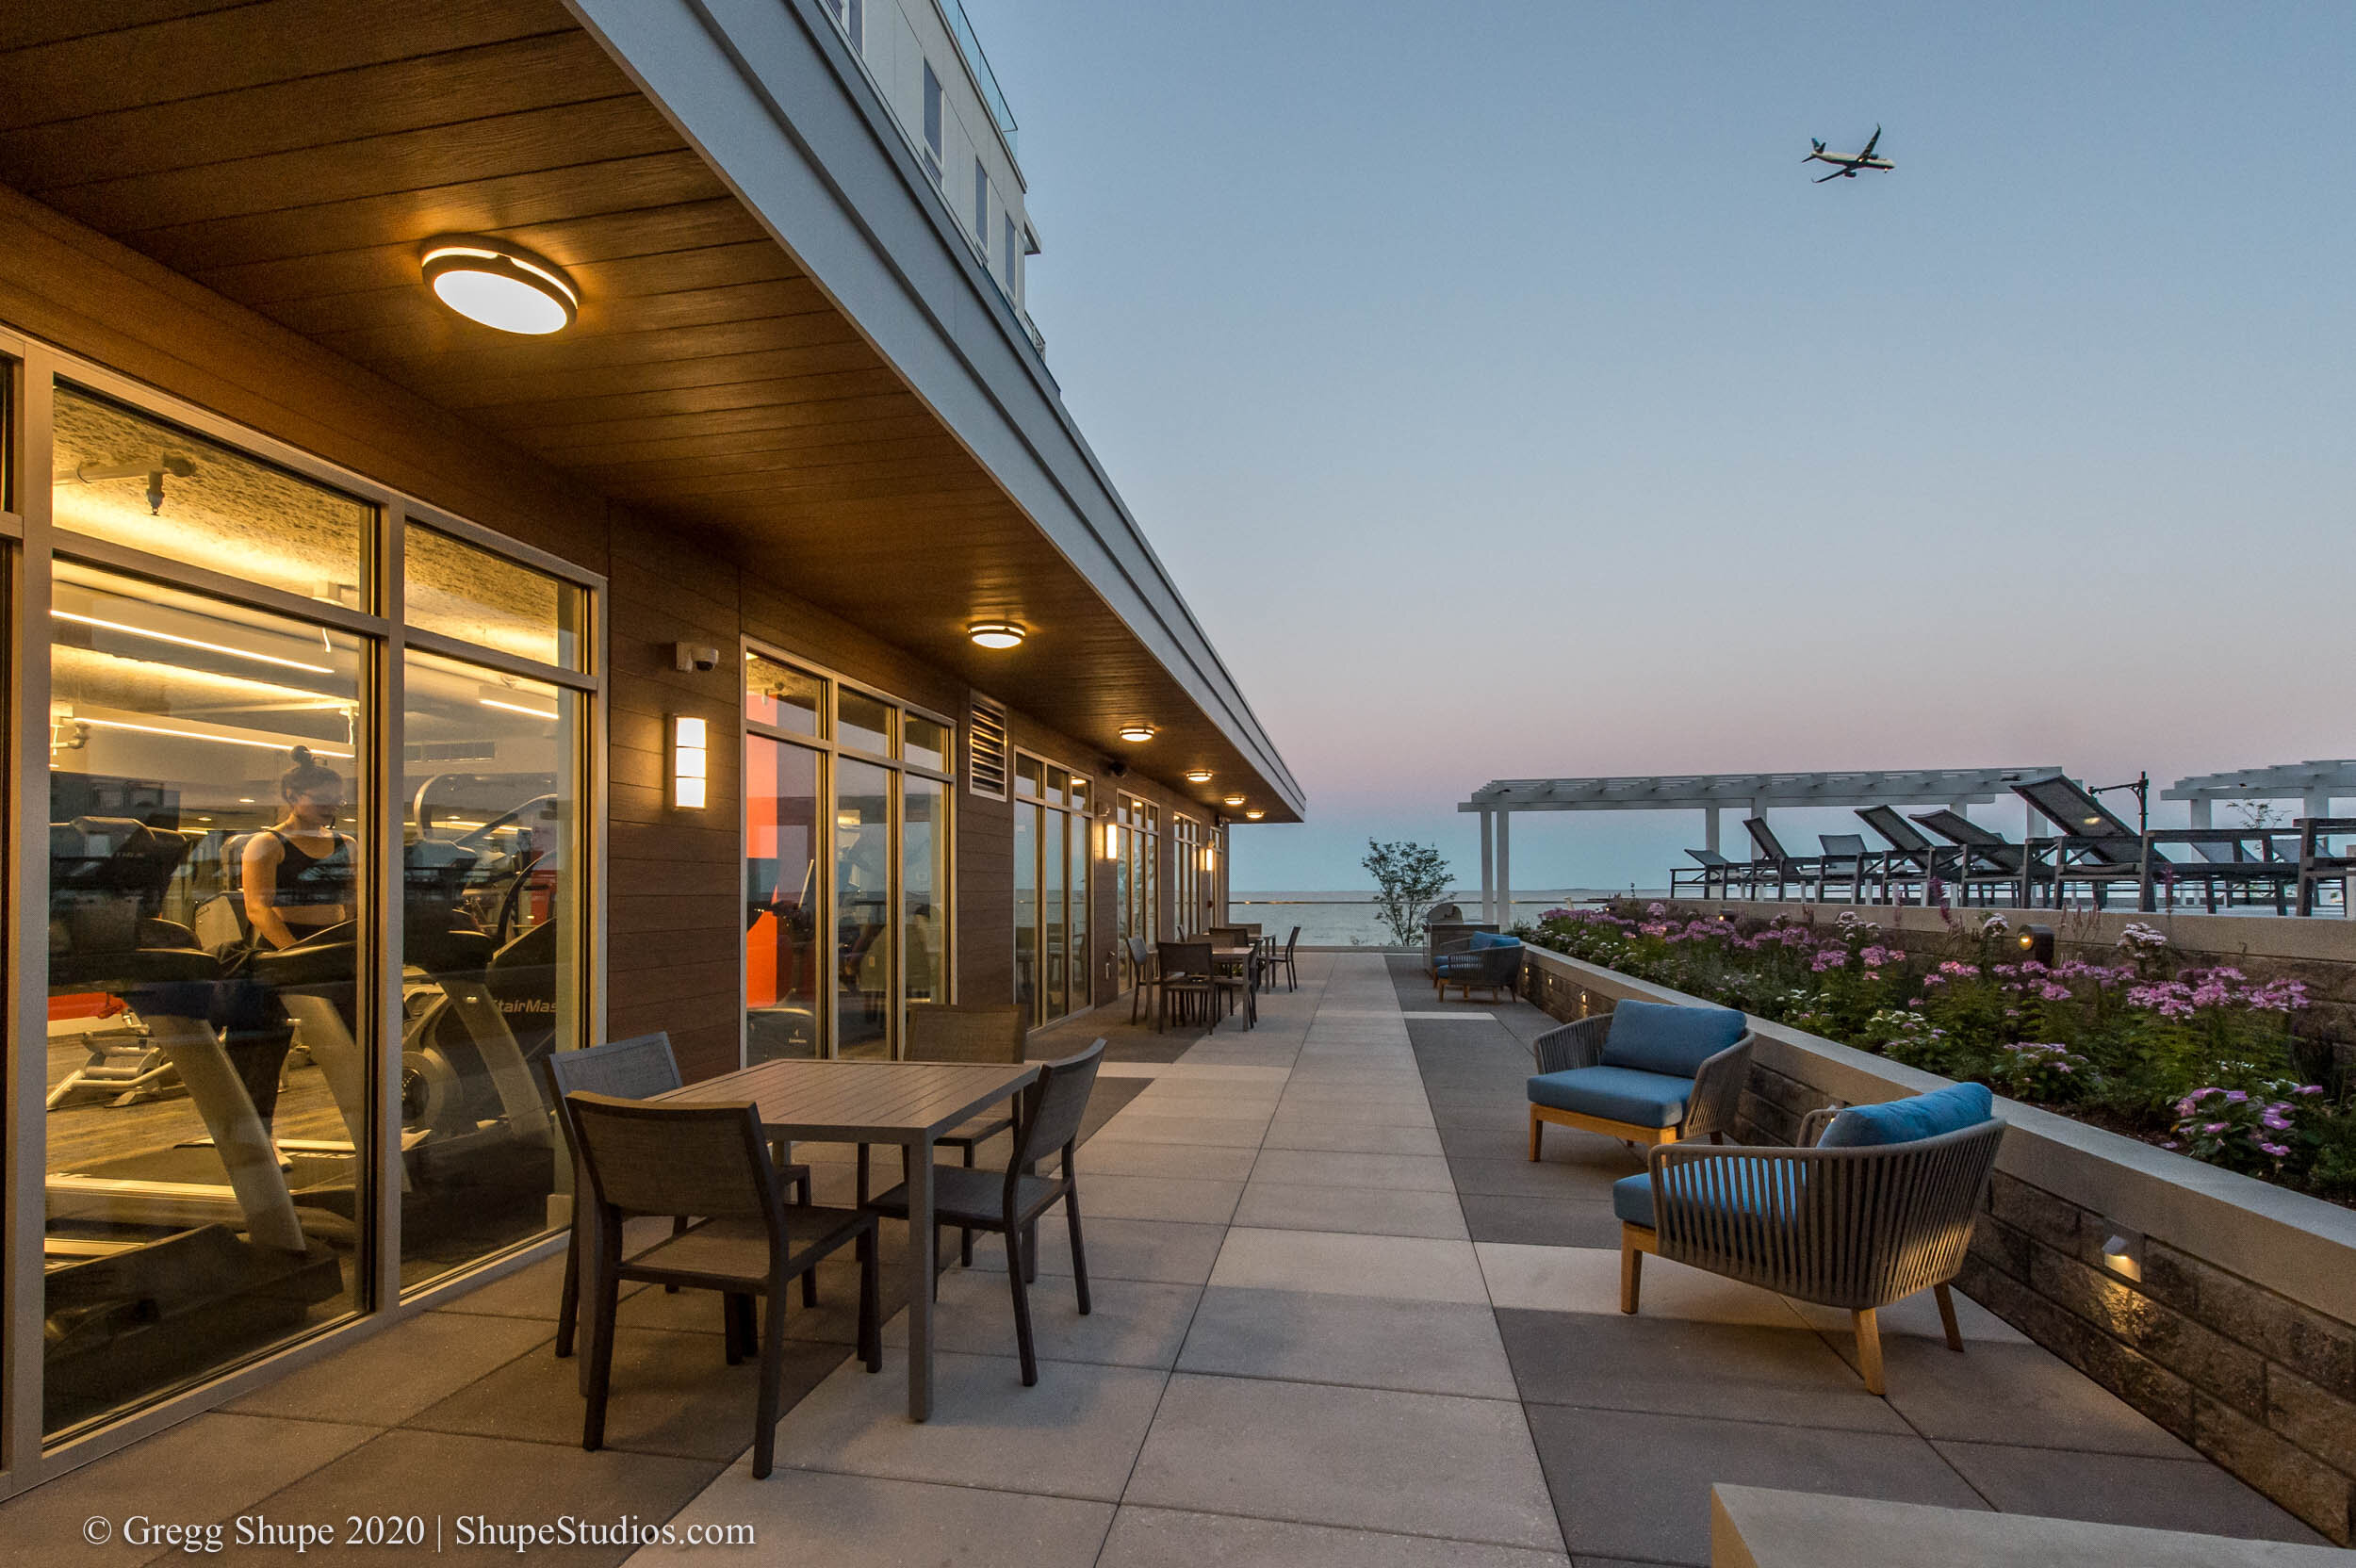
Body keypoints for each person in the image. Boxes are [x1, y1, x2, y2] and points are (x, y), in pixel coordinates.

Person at [242, 746, 354, 950]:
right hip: (284, 944)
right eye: (321, 800)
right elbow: (257, 908)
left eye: (337, 801)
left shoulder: (346, 844)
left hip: (335, 941)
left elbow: (353, 901)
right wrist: (295, 953)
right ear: (292, 796)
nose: (331, 807)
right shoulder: (268, 843)